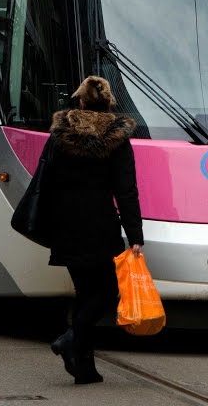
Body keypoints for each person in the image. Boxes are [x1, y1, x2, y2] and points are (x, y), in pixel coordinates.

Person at [42, 75, 143, 385]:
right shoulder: (116, 138)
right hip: (100, 224)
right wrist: (135, 236)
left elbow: (46, 180)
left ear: (82, 100)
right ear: (108, 103)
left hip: (65, 223)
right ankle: (71, 340)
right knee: (107, 292)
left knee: (85, 293)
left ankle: (84, 367)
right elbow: (126, 190)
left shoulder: (60, 134)